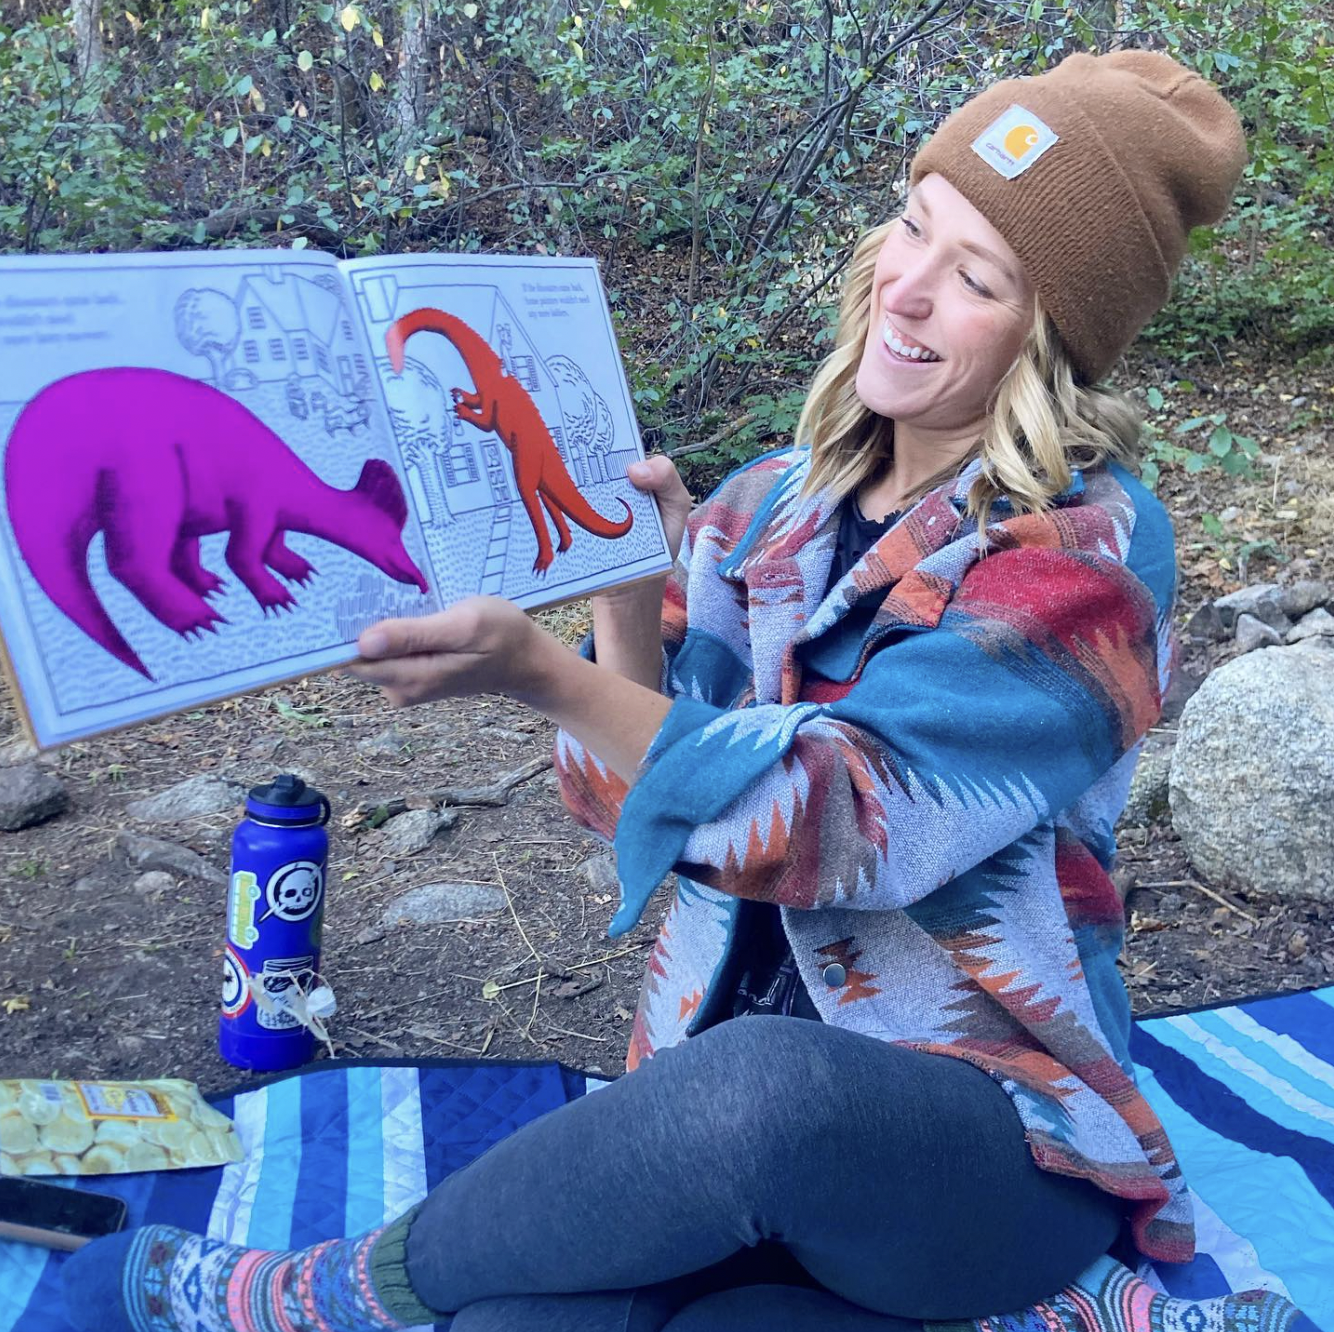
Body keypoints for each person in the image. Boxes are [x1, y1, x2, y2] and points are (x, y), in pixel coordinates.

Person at [63, 49, 1311, 1332]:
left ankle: (316, 1296)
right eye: (911, 225)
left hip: (981, 1138)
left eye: (975, 279)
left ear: (1050, 334)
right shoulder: (766, 504)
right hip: (712, 1111)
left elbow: (842, 826)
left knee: (766, 1095)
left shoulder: (1083, 554)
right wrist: (619, 596)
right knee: (527, 1318)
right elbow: (621, 805)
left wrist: (543, 669)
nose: (907, 289)